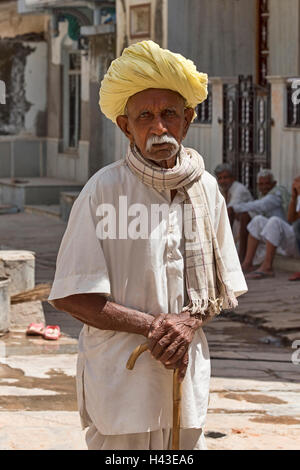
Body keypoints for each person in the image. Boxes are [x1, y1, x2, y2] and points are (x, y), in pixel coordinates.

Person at [48, 40, 247, 451]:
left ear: (188, 119)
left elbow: (220, 287)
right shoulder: (103, 190)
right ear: (126, 126)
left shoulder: (207, 190)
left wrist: (188, 323)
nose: (159, 128)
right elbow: (72, 295)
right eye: (146, 117)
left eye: (169, 114)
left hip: (185, 381)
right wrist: (154, 326)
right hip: (121, 382)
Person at [242, 176, 300, 279]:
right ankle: (247, 263)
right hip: (294, 238)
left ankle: (267, 267)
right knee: (258, 220)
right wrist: (294, 196)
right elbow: (291, 218)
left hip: (298, 243)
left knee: (275, 221)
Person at [230, 169, 290, 263]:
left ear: (274, 183)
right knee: (247, 217)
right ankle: (244, 260)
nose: (264, 187)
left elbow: (260, 205)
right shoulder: (264, 195)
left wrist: (233, 208)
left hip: (282, 235)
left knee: (248, 217)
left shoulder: (276, 194)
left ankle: (244, 259)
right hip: (269, 232)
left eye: (267, 183)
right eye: (261, 184)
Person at [214, 163, 253, 227]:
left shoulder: (239, 189)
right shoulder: (221, 189)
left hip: (248, 224)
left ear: (233, 178)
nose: (222, 181)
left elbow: (229, 210)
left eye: (225, 177)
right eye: (220, 178)